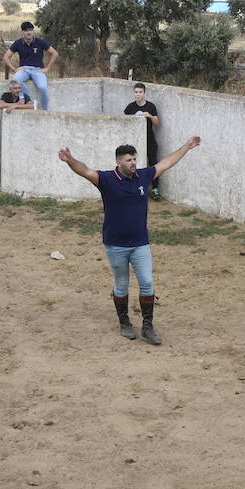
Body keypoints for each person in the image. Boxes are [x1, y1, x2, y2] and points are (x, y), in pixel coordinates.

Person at [58, 135, 201, 344]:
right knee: (121, 284)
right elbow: (85, 170)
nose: (133, 163)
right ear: (118, 162)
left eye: (134, 159)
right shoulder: (106, 180)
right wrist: (71, 160)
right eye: (128, 160)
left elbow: (165, 163)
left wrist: (187, 147)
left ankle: (148, 326)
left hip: (140, 242)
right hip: (115, 244)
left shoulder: (144, 176)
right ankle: (124, 323)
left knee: (147, 282)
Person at [4, 21, 59, 110]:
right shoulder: (18, 43)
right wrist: (14, 69)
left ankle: (45, 110)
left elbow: (54, 53)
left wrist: (47, 67)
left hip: (38, 70)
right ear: (22, 32)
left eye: (31, 30)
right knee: (16, 80)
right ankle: (30, 102)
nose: (29, 32)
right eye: (26, 30)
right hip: (24, 69)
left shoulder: (40, 42)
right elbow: (6, 57)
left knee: (42, 87)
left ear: (33, 31)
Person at [123, 82, 161, 199]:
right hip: (135, 141)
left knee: (153, 163)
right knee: (133, 164)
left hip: (149, 140)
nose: (138, 94)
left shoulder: (151, 106)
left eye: (140, 92)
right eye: (136, 92)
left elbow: (157, 124)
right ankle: (135, 189)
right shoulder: (130, 107)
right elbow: (124, 122)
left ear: (144, 93)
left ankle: (154, 189)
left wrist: (149, 115)